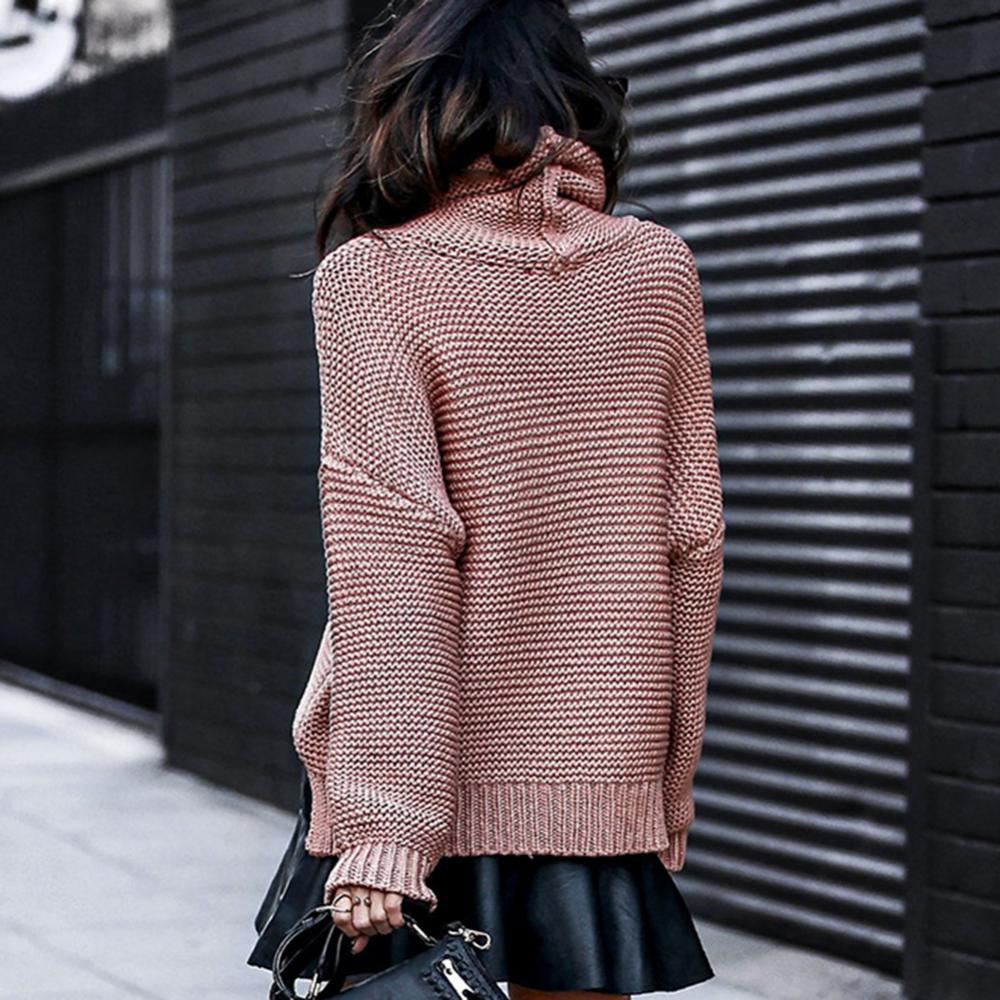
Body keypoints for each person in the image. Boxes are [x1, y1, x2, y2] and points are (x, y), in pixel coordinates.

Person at [248, 1, 725, 997]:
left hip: (416, 772)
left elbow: (394, 555)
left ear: (416, 100)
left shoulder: (375, 276)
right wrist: (659, 788)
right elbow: (693, 543)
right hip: (596, 778)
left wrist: (386, 825)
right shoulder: (658, 268)